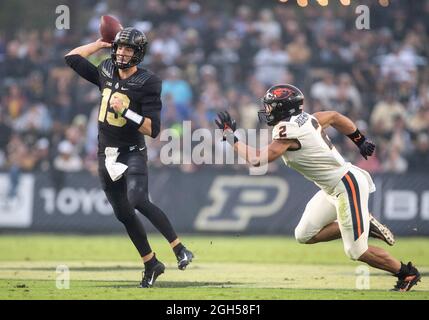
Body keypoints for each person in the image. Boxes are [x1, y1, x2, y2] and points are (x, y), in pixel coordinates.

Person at [215, 84, 421, 292]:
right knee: (304, 234)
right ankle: (360, 223)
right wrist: (359, 139)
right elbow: (333, 116)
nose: (267, 111)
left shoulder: (288, 129)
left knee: (356, 251)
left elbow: (257, 159)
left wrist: (231, 138)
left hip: (346, 186)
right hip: (332, 188)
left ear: (283, 107)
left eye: (270, 106)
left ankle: (406, 272)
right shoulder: (306, 119)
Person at [64, 28, 193, 288]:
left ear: (139, 53)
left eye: (128, 49)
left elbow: (153, 130)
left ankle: (179, 248)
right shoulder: (106, 69)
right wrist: (100, 44)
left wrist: (126, 112)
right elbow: (72, 57)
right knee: (123, 214)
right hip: (105, 153)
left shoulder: (149, 82)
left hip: (132, 151)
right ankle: (151, 264)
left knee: (137, 199)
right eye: (119, 48)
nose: (122, 53)